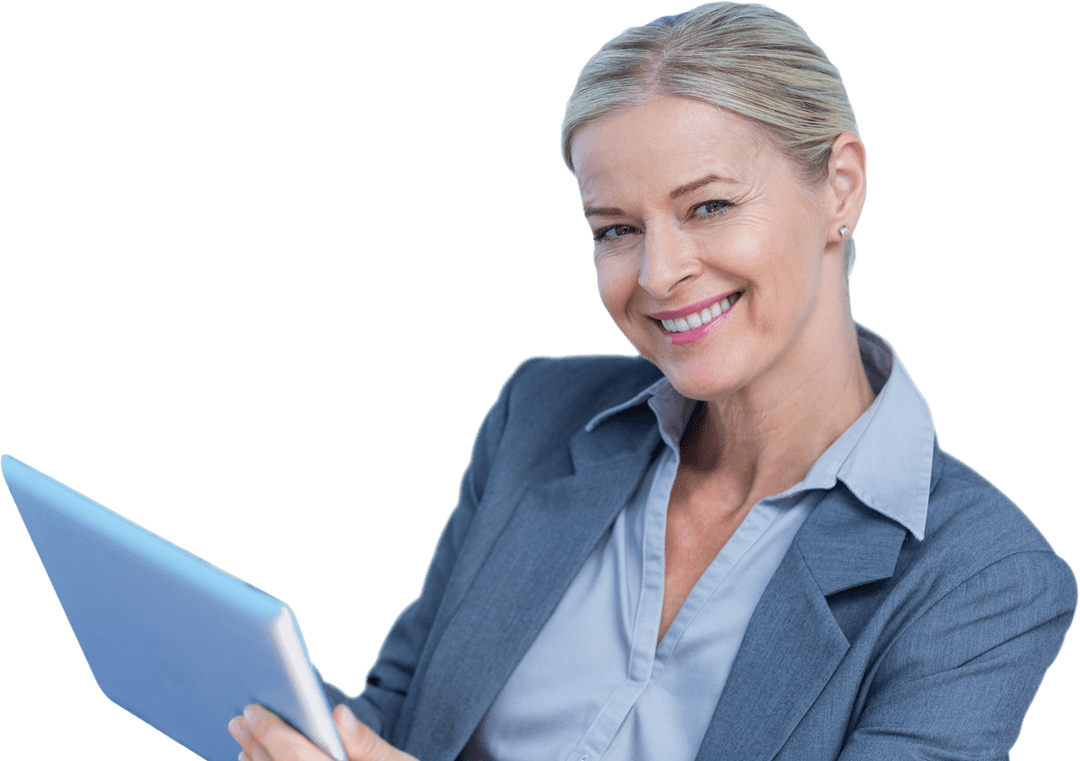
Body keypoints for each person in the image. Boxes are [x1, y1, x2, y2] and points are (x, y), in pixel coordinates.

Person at [227, 3, 1078, 759]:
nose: (659, 273)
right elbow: (398, 722)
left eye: (708, 206)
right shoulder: (539, 420)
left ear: (840, 187)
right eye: (616, 229)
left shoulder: (984, 579)